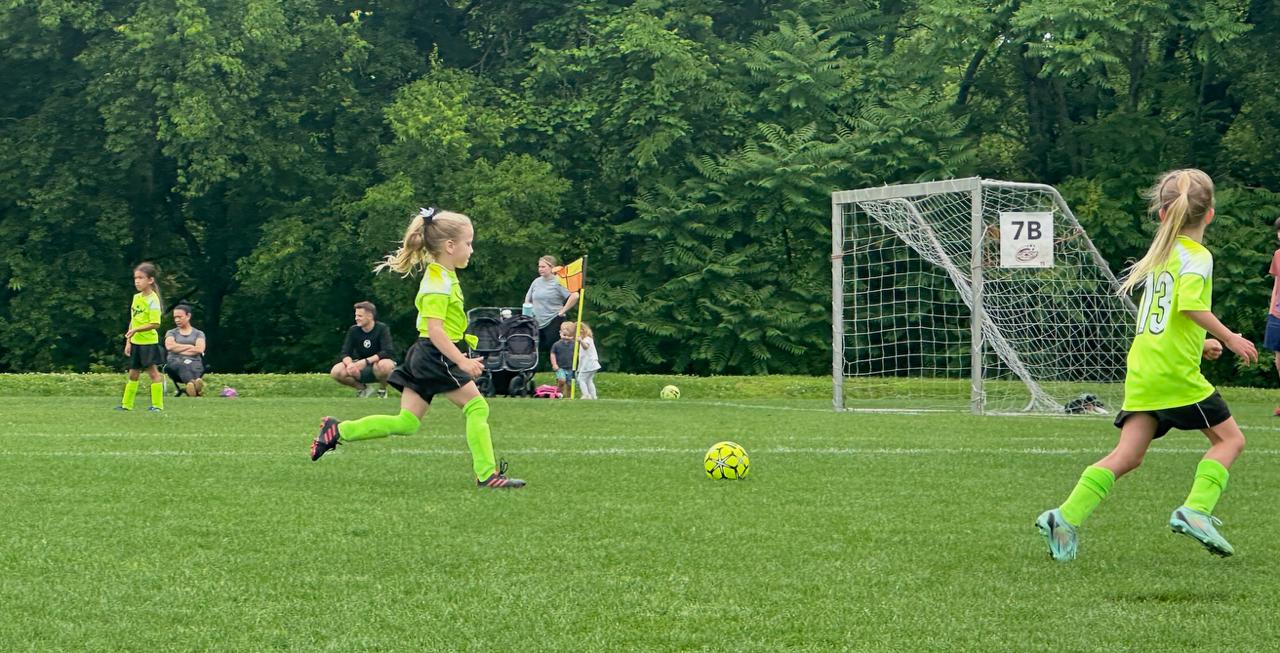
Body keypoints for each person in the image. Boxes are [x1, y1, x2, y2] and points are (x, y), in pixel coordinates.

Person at [1035, 169, 1257, 561]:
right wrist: (1228, 337)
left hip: (1144, 368)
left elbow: (1166, 318)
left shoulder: (1160, 255)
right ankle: (1196, 510)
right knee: (1230, 441)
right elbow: (1190, 306)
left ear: (1163, 214)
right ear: (1210, 214)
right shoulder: (1197, 256)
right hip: (1173, 373)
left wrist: (1199, 342)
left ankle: (1064, 517)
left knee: (1128, 456)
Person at [310, 207, 526, 489]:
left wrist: (459, 351)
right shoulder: (438, 283)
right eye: (469, 243)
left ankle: (338, 430)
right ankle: (487, 475)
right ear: (450, 246)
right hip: (435, 356)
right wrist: (461, 361)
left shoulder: (443, 276)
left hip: (427, 355)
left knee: (407, 423)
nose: (472, 250)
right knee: (477, 407)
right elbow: (435, 331)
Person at [116, 262, 165, 412]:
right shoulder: (136, 297)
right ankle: (126, 405)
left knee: (153, 373)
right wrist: (129, 341)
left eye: (140, 278)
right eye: (135, 278)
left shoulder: (153, 300)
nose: (137, 281)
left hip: (148, 342)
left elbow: (155, 323)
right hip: (136, 342)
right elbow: (134, 320)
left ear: (150, 280)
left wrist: (136, 330)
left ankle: (157, 405)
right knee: (133, 373)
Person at [329, 301, 397, 398]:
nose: (356, 318)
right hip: (360, 365)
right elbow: (345, 352)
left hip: (377, 363)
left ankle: (382, 390)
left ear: (370, 316)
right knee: (336, 371)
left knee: (385, 365)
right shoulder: (353, 330)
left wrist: (366, 361)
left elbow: (387, 351)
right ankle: (363, 389)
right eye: (356, 315)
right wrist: (350, 365)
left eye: (360, 316)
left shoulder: (382, 328)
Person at [524, 255, 578, 367]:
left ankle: (562, 370)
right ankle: (532, 369)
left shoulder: (558, 282)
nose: (540, 269)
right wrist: (528, 313)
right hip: (536, 321)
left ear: (552, 267)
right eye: (539, 267)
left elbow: (575, 296)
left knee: (554, 347)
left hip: (554, 320)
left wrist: (562, 311)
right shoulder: (536, 282)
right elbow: (527, 300)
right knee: (533, 346)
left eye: (543, 267)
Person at [164, 304, 207, 397]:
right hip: (175, 362)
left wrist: (177, 349)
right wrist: (190, 346)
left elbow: (199, 349)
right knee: (182, 364)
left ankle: (191, 387)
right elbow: (170, 346)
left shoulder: (199, 333)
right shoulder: (171, 332)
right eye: (175, 317)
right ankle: (194, 385)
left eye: (179, 317)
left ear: (188, 316)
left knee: (193, 365)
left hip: (194, 362)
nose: (177, 320)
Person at [1265, 216, 1280, 415]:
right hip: (1277, 314)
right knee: (1278, 361)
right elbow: (1277, 284)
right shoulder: (1277, 255)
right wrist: (1271, 311)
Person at [550, 321, 577, 397]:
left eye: (569, 336)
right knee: (562, 380)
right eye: (564, 335)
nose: (566, 337)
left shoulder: (574, 344)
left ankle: (568, 397)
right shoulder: (556, 344)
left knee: (570, 384)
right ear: (560, 333)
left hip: (571, 367)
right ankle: (559, 394)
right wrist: (554, 364)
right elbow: (552, 354)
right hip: (560, 367)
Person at [576, 322, 602, 400]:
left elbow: (586, 347)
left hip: (589, 363)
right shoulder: (588, 339)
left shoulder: (587, 339)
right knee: (589, 380)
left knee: (581, 379)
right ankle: (593, 396)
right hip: (591, 363)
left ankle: (586, 395)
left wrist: (580, 340)